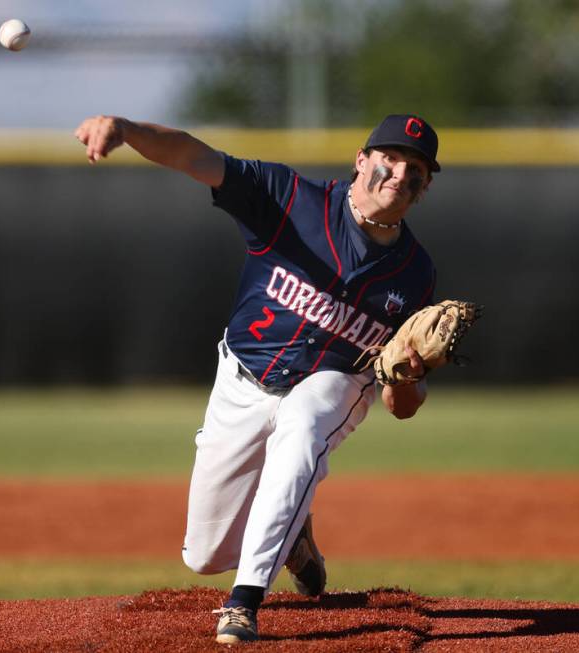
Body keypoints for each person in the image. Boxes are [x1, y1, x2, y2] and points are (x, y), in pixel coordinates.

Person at [75, 113, 440, 644]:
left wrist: (404, 379)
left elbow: (404, 403)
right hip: (242, 379)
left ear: (424, 188)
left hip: (335, 383)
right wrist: (126, 130)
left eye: (417, 171)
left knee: (305, 425)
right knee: (204, 556)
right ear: (362, 161)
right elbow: (192, 156)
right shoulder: (288, 198)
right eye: (392, 159)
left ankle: (244, 602)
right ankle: (295, 539)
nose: (401, 175)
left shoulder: (416, 274)